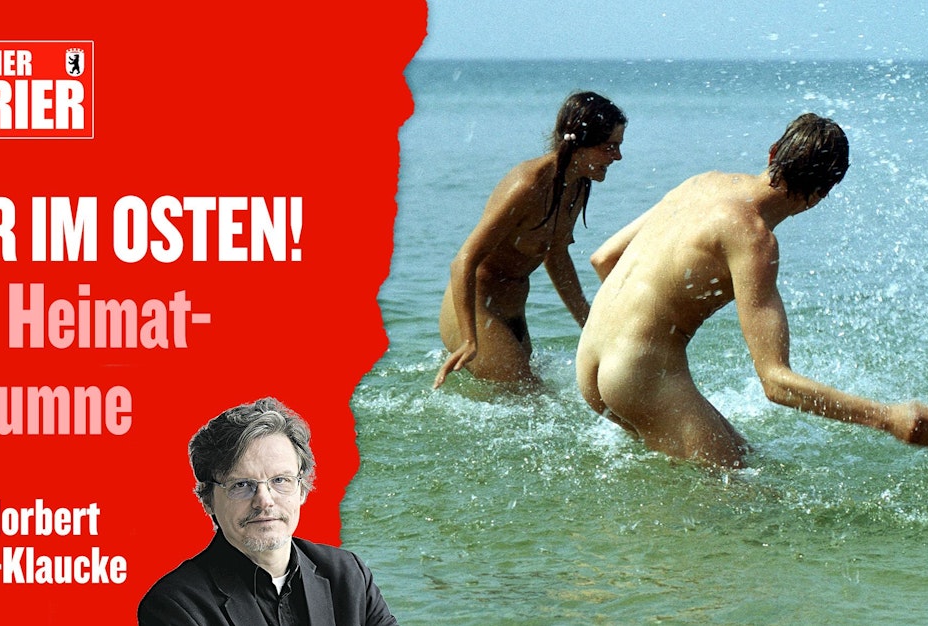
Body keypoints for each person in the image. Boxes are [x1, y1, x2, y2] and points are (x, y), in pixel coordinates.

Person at [576, 113, 928, 468]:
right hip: (638, 376)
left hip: (589, 359)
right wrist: (888, 418)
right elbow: (775, 382)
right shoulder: (755, 241)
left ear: (772, 152)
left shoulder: (701, 183)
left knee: (745, 464)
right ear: (821, 194)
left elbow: (604, 258)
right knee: (746, 503)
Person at [139, 398, 397, 626]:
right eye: (242, 485)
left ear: (302, 489)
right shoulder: (177, 606)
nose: (264, 501)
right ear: (208, 500)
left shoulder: (348, 575)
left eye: (281, 480)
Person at [435, 91, 627, 386]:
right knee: (531, 400)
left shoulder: (577, 184)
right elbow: (463, 261)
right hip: (477, 309)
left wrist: (589, 325)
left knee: (531, 400)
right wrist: (470, 339)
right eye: (609, 147)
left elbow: (557, 256)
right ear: (580, 143)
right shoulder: (527, 185)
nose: (617, 156)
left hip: (513, 310)